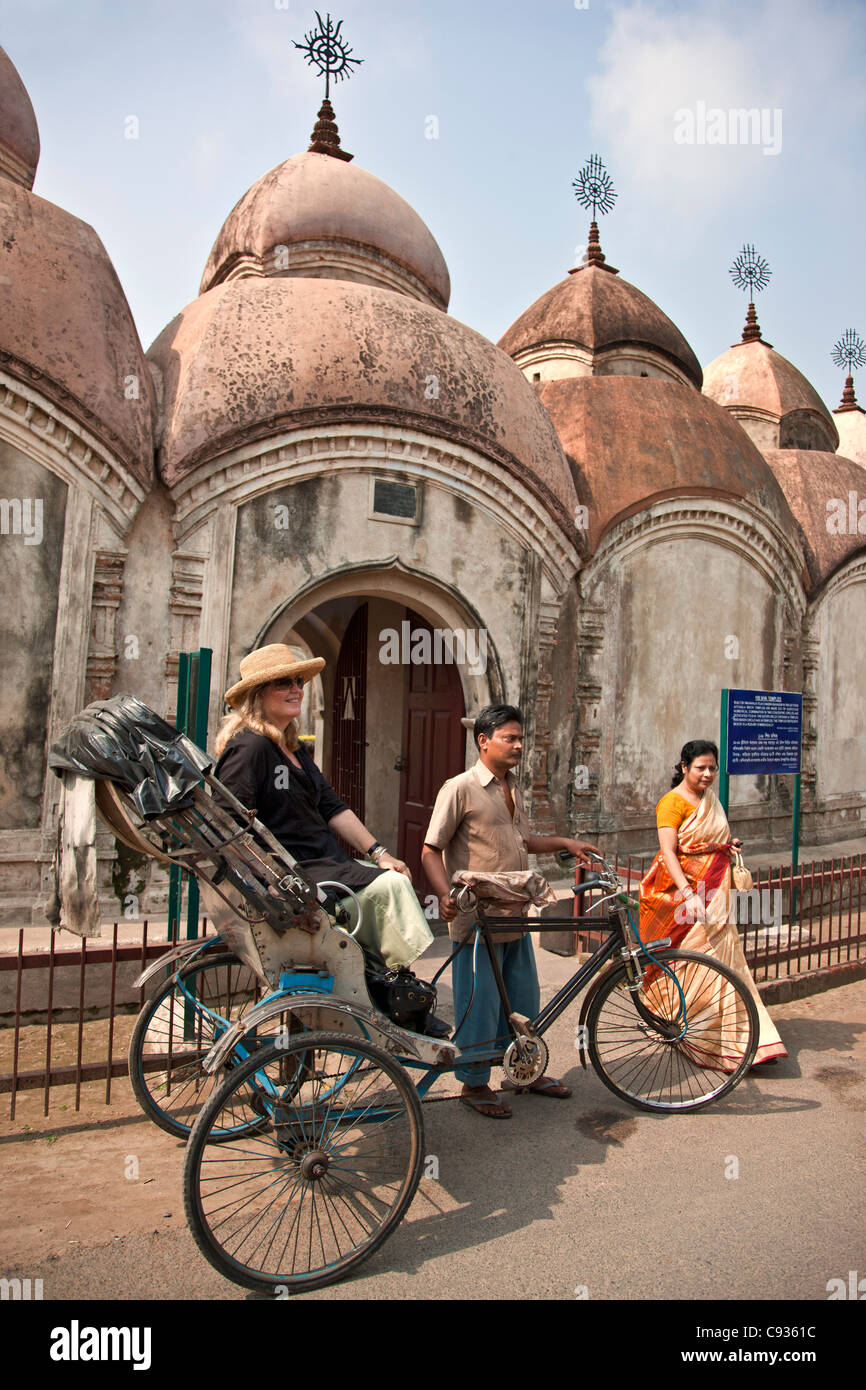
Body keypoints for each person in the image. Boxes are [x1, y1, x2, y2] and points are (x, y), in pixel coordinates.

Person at [213, 643, 436, 988]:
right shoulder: (250, 747)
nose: (296, 690)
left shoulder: (293, 748)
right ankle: (394, 983)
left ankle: (383, 977)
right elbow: (228, 823)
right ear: (258, 695)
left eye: (299, 681)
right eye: (283, 683)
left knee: (390, 872)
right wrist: (267, 881)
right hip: (297, 874)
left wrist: (380, 853)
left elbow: (333, 806)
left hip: (323, 863)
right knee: (391, 886)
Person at [421, 704, 599, 1117]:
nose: (519, 745)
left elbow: (523, 841)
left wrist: (564, 843)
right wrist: (445, 894)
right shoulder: (460, 788)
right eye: (510, 738)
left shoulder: (513, 785)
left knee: (523, 998)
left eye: (521, 738)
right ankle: (474, 1084)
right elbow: (431, 850)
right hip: (477, 919)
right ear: (484, 741)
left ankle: (524, 1071)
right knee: (479, 1003)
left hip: (515, 914)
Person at [639, 739, 786, 1068]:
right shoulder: (672, 803)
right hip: (684, 894)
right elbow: (669, 853)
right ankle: (698, 1033)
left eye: (712, 769)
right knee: (696, 961)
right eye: (700, 768)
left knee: (726, 961)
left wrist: (724, 845)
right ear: (684, 768)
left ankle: (743, 1038)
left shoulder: (710, 800)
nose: (707, 774)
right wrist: (689, 895)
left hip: (716, 892)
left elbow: (704, 841)